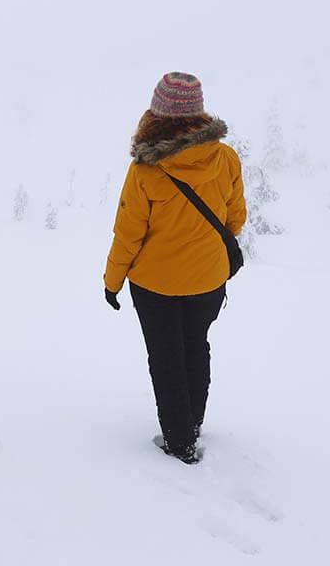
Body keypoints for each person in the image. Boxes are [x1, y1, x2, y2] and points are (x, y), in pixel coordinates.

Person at [102, 72, 246, 464]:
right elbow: (235, 218)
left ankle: (179, 443)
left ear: (157, 115)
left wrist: (112, 282)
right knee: (196, 347)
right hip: (209, 281)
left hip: (155, 287)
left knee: (166, 358)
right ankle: (191, 426)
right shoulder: (226, 158)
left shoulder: (146, 169)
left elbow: (128, 234)